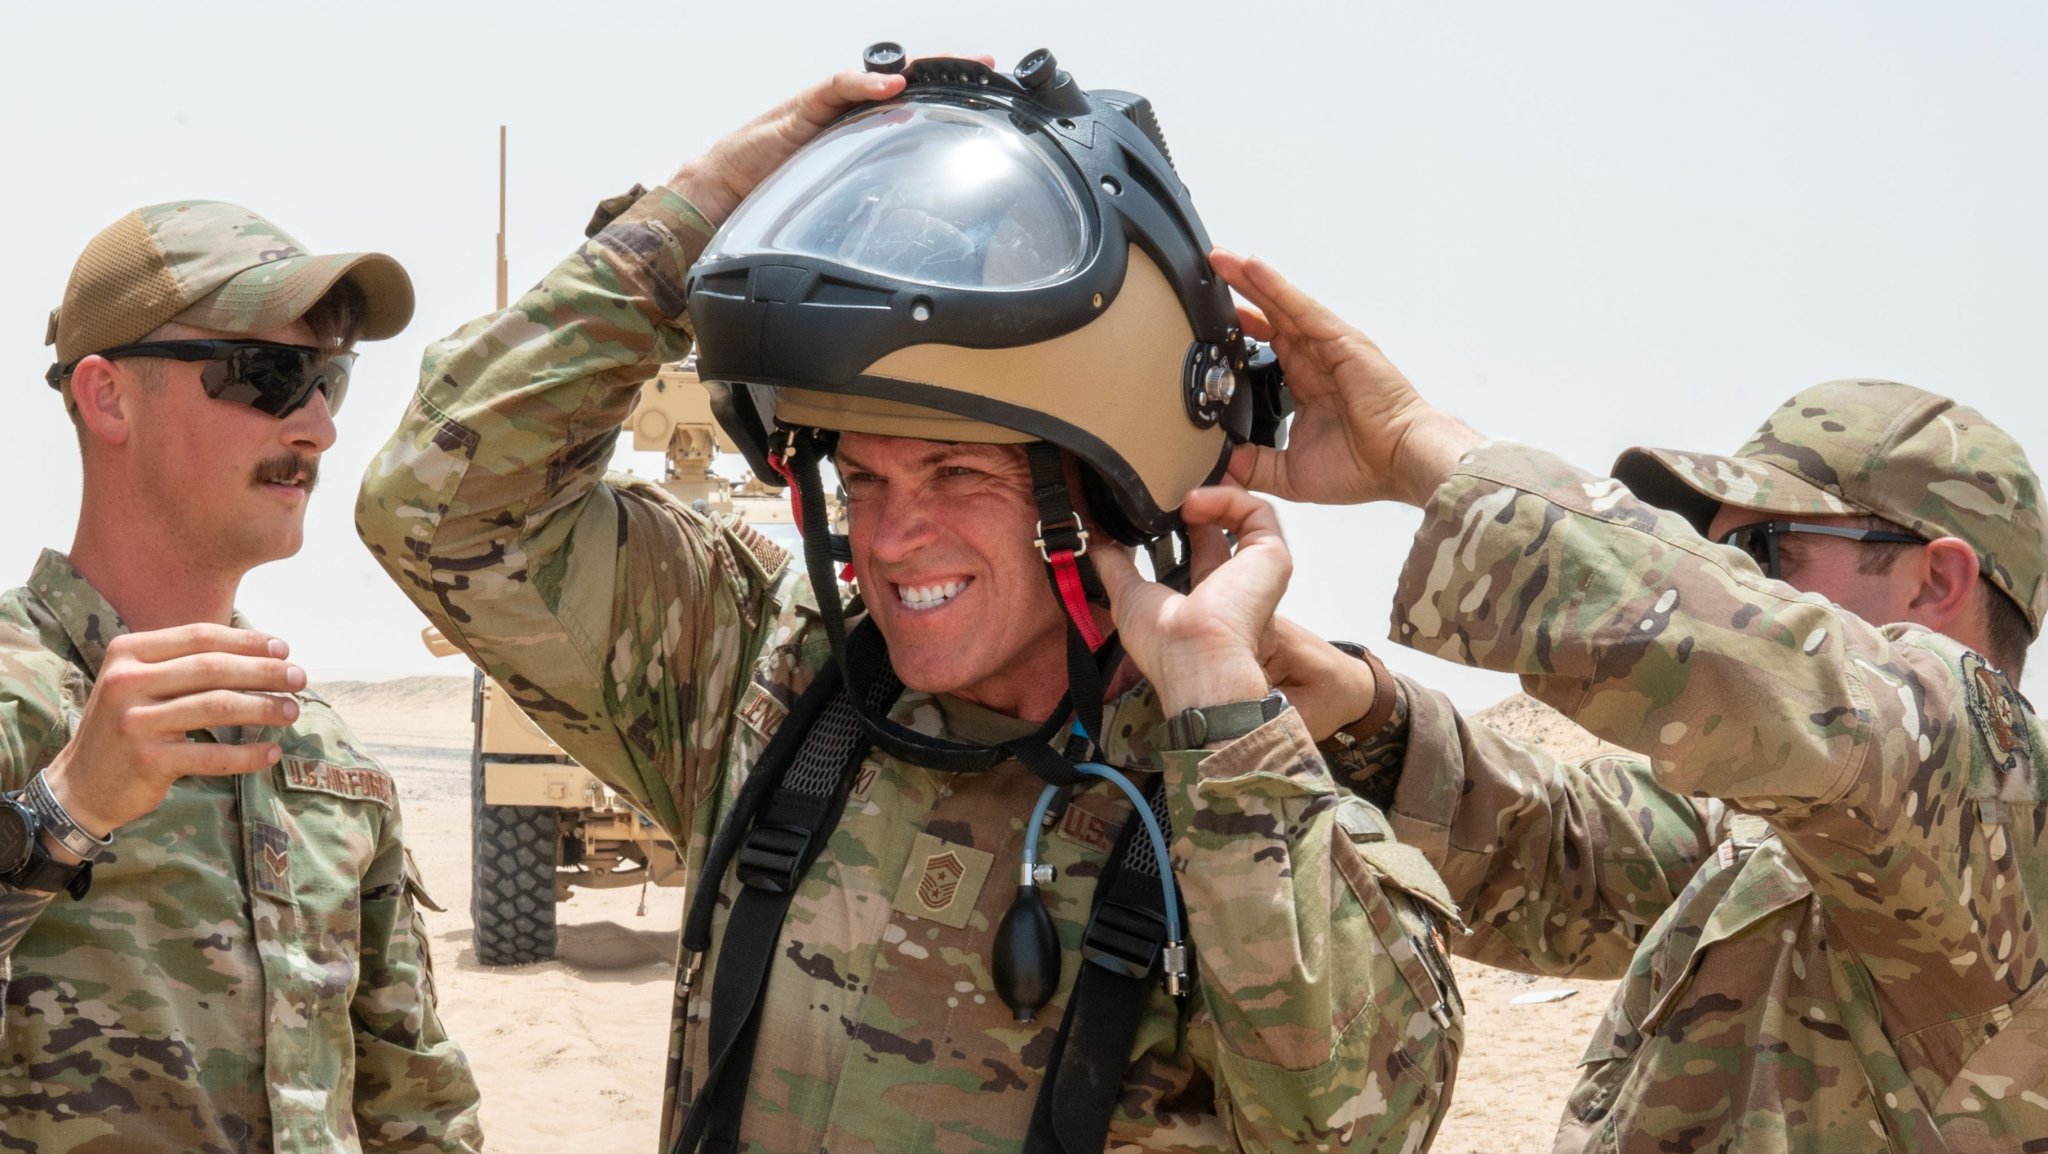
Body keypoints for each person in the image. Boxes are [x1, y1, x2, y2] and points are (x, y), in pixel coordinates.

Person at [358, 51, 1462, 1153]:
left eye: (956, 473)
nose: (888, 541)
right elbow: (438, 509)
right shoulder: (767, 685)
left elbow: (1348, 1128)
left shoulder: (1249, 809)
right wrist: (704, 203)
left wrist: (1222, 711)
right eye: (864, 480)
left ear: (1097, 490)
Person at [1215, 248, 2046, 1151]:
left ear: (1936, 581)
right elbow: (1558, 851)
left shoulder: (1999, 809)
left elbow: (1769, 663)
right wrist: (1364, 713)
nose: (1731, 579)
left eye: (1762, 552)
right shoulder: (1790, 834)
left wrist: (1419, 446)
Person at [1, 200, 483, 1151]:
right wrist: (59, 816)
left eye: (329, 380)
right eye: (268, 374)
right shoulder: (18, 708)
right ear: (108, 398)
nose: (319, 428)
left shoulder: (323, 751)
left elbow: (417, 1106)